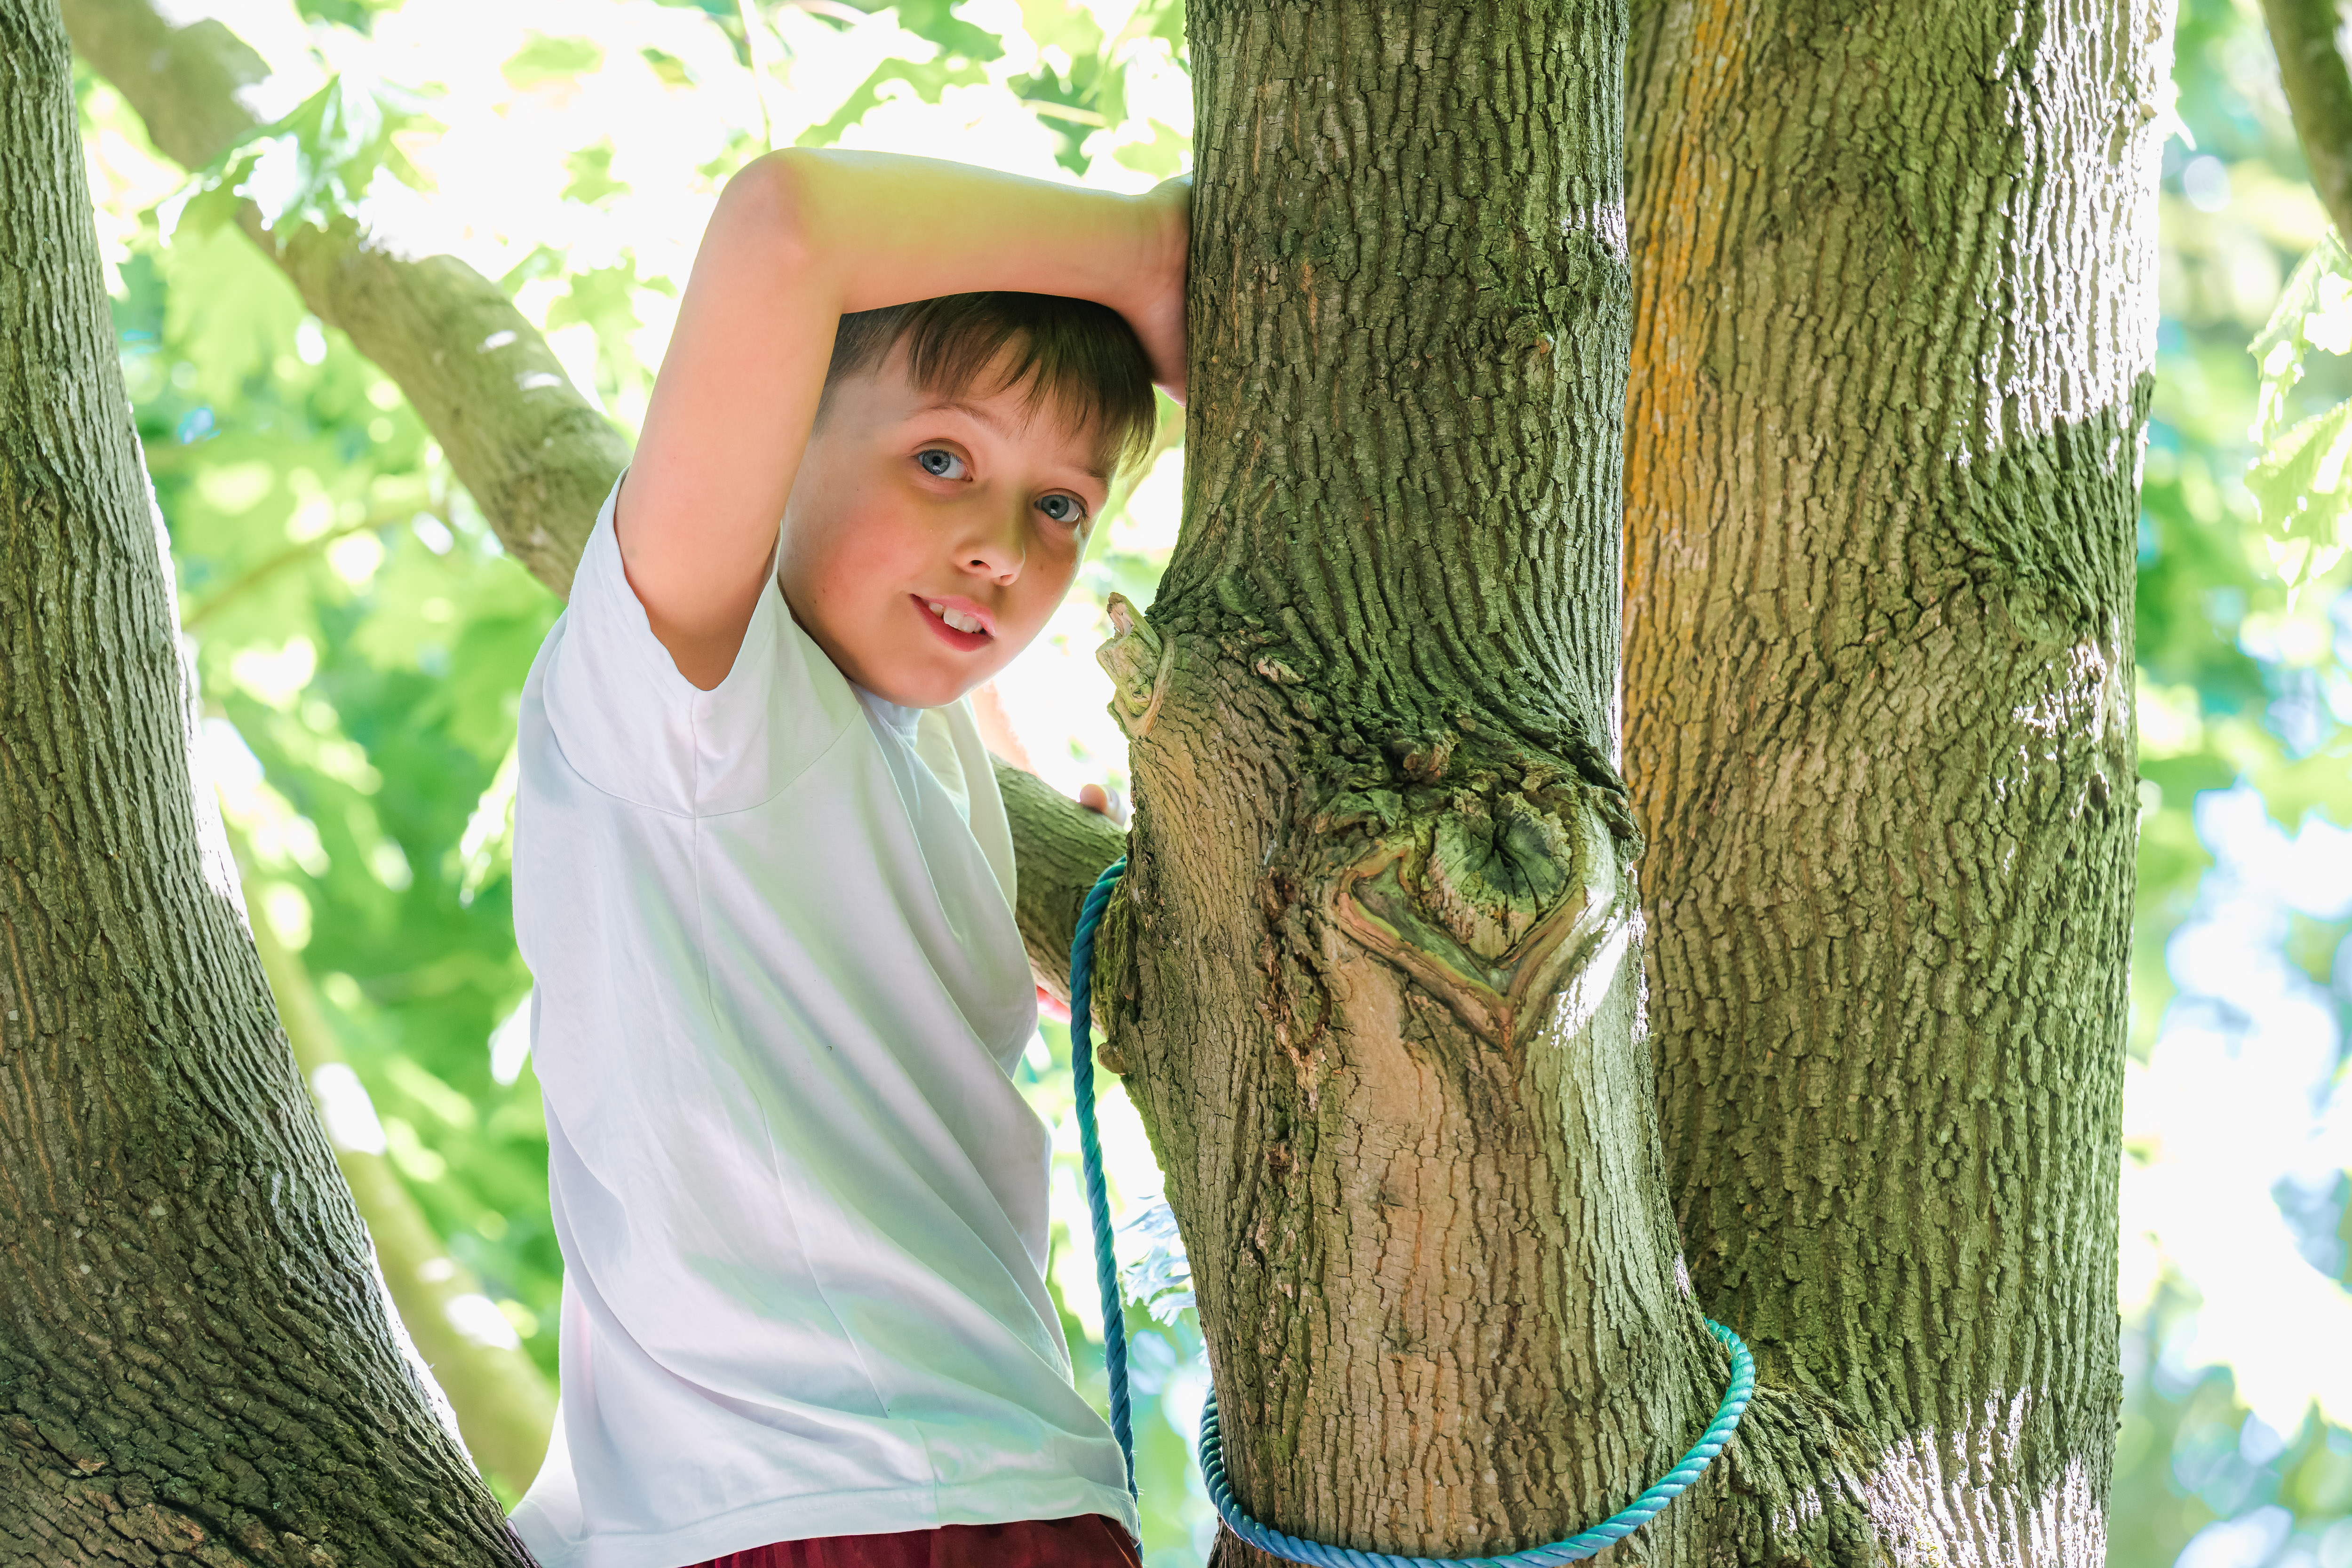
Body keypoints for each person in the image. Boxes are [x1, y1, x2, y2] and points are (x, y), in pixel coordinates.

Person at [503, 147, 1190, 1568]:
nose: (1000, 548)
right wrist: (1143, 258)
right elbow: (784, 226)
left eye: (1060, 506)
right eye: (941, 459)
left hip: (942, 1503)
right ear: (781, 442)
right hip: (866, 1512)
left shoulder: (913, 748)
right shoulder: (690, 694)